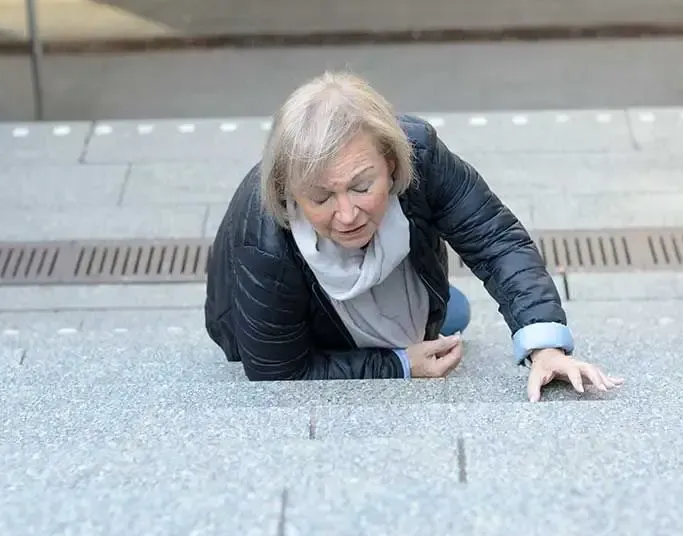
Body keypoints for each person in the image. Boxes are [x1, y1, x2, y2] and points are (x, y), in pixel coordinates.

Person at [205, 71, 623, 401]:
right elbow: (278, 373)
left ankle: (418, 313)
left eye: (362, 186)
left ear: (390, 161)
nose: (347, 214)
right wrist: (399, 365)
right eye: (321, 197)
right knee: (432, 327)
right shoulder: (262, 241)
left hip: (389, 286)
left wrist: (544, 345)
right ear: (290, 189)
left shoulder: (419, 151)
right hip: (293, 319)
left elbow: (496, 240)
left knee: (449, 316)